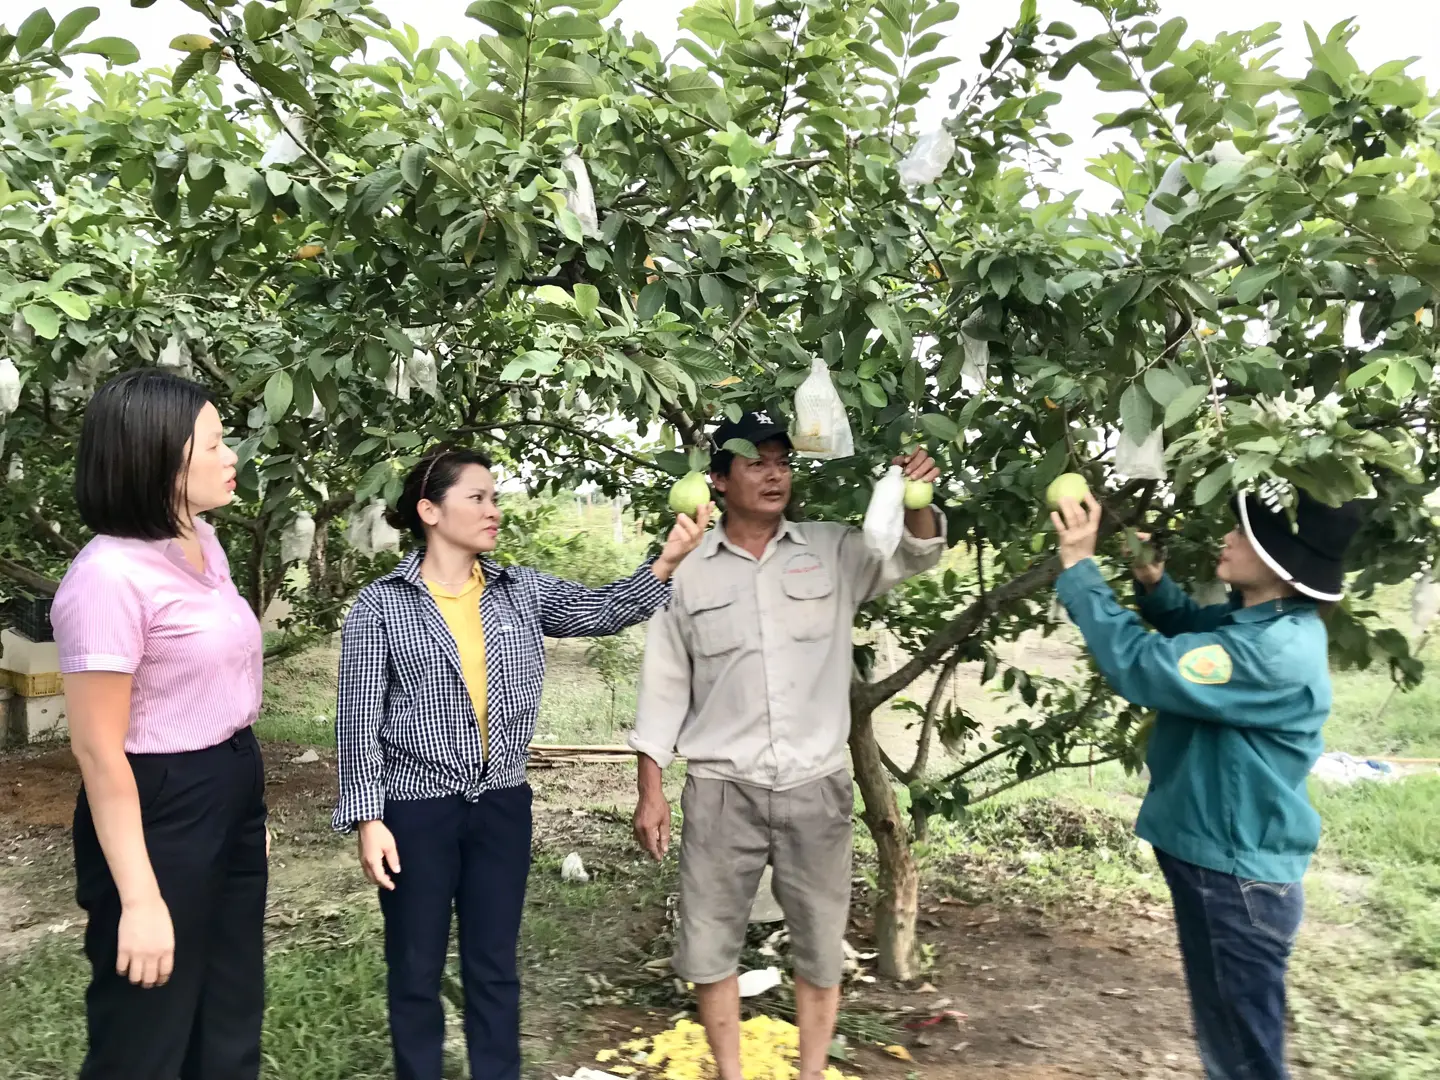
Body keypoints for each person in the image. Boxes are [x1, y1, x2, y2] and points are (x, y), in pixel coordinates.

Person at [333, 446, 710, 1080]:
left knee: (494, 965)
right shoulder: (382, 606)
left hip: (501, 804)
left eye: (495, 497)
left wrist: (669, 560)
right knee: (416, 967)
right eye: (477, 498)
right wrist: (368, 819)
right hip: (414, 810)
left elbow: (605, 610)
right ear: (429, 510)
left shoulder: (520, 591)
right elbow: (358, 722)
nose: (493, 510)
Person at [628, 412, 947, 1080]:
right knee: (709, 946)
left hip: (816, 785)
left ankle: (808, 1073)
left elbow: (914, 554)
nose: (775, 474)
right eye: (756, 462)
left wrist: (916, 498)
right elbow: (663, 685)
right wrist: (650, 791)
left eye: (783, 461)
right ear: (717, 481)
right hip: (721, 788)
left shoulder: (833, 549)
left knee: (820, 946)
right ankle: (731, 1073)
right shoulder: (686, 573)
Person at [1049, 485, 1363, 1080]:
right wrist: (1150, 580)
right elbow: (1193, 627)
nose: (1228, 537)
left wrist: (1079, 566)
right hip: (1226, 866)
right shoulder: (1268, 621)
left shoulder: (1268, 651)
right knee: (1231, 1037)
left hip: (1235, 882)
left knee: (1242, 1056)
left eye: (1245, 534)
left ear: (1279, 563)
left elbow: (1142, 665)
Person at [50, 368, 268, 1080]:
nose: (231, 455)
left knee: (229, 1009)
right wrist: (141, 899)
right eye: (213, 444)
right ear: (157, 457)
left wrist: (238, 797)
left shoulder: (203, 542)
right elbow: (97, 750)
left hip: (229, 778)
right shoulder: (108, 579)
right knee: (149, 1026)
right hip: (156, 803)